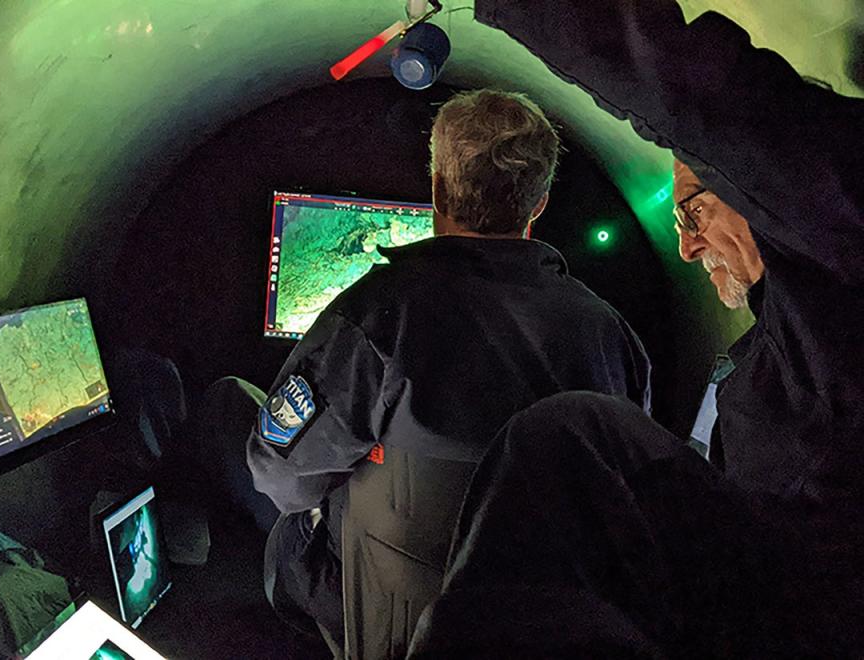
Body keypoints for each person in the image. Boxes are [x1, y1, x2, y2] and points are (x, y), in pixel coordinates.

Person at [409, 0, 864, 655]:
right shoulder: (735, 351)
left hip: (810, 600)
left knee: (570, 435)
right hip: (759, 591)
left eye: (691, 213)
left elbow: (701, 98)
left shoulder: (837, 217)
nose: (686, 247)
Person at [247, 89, 652, 655]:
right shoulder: (614, 338)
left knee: (237, 420)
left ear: (437, 187)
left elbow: (278, 474)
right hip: (549, 628)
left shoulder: (373, 320)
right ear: (538, 205)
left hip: (396, 624)